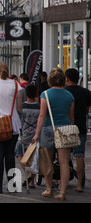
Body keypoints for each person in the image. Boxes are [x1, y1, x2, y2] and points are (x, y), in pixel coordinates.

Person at [32, 68, 75, 201]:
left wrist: (36, 133)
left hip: (48, 129)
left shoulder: (45, 94)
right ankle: (62, 192)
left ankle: (49, 188)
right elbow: (71, 117)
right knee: (64, 163)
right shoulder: (69, 95)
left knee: (48, 161)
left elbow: (42, 115)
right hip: (65, 128)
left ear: (50, 80)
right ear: (63, 79)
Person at [0, 62, 23, 194]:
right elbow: (19, 107)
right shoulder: (16, 84)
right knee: (10, 154)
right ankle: (12, 185)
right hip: (12, 124)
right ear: (8, 70)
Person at [65, 68, 91, 192]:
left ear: (67, 79)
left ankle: (61, 183)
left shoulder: (64, 92)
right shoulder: (86, 92)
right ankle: (80, 184)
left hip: (66, 128)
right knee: (79, 156)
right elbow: (87, 110)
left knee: (64, 156)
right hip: (80, 127)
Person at [16, 84, 39, 188]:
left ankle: (28, 174)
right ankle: (32, 180)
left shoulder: (22, 107)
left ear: (25, 95)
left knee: (19, 154)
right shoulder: (39, 107)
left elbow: (19, 121)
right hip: (36, 136)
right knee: (34, 159)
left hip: (23, 136)